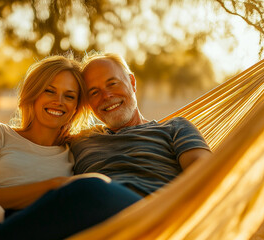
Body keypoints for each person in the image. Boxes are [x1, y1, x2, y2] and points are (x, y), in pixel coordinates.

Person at [0, 55, 143, 240]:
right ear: (33, 93)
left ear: (77, 106)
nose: (58, 102)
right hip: (4, 223)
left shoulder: (78, 145)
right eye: (49, 91)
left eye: (69, 96)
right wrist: (57, 185)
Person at [71, 52, 213, 196]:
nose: (106, 96)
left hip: (156, 210)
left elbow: (208, 174)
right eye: (94, 92)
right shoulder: (79, 142)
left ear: (132, 82)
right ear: (88, 104)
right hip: (95, 212)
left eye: (112, 84)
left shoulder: (175, 128)